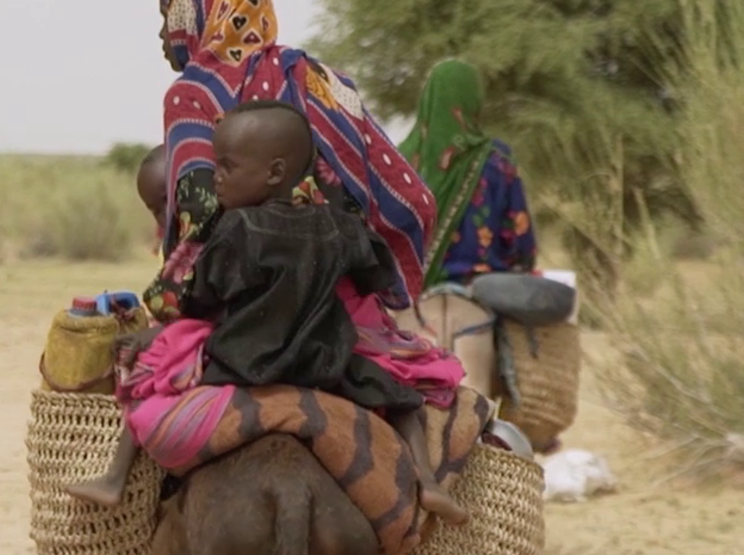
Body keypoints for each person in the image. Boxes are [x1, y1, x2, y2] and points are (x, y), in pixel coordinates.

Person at [66, 101, 468, 524]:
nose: (215, 177)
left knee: (147, 384)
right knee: (403, 399)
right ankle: (428, 481)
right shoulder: (338, 225)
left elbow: (202, 302)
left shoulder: (236, 228)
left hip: (238, 363)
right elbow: (377, 274)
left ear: (275, 173)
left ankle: (114, 480)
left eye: (227, 166)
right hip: (325, 364)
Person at [144, 0, 438, 324]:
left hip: (248, 311)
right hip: (345, 305)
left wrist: (169, 304)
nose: (163, 33)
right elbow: (413, 199)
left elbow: (198, 218)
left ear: (194, 11)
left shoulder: (192, 93)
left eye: (169, 15)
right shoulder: (317, 77)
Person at [398, 58, 537, 285]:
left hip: (410, 293)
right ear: (475, 101)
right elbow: (520, 241)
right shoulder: (497, 159)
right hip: (482, 288)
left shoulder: (401, 162)